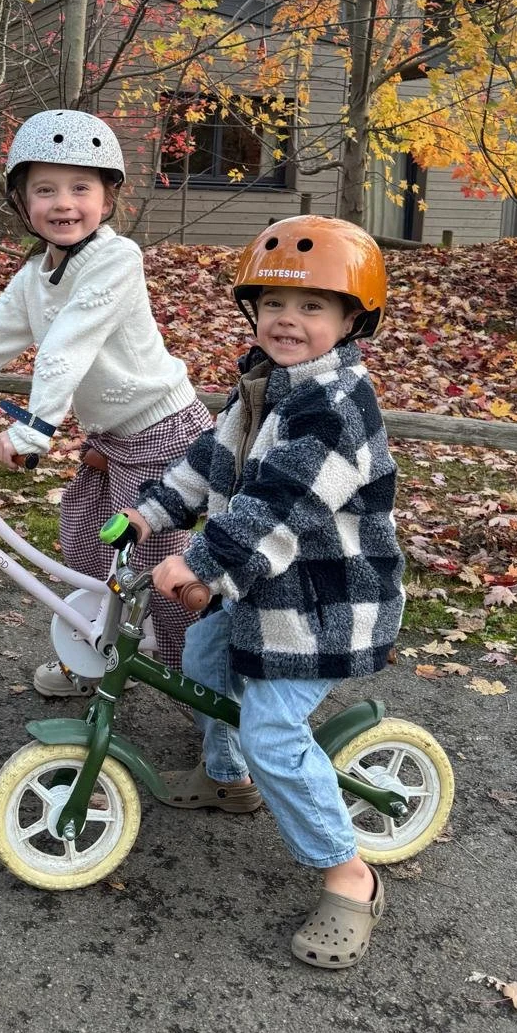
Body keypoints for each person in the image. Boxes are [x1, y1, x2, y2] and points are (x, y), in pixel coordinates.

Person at [127, 216, 404, 970]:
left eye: (314, 306)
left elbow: (277, 503)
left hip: (321, 605)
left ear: (352, 321)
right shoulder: (261, 385)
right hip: (260, 590)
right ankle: (228, 780)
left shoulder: (336, 407)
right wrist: (146, 515)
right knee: (205, 667)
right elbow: (206, 463)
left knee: (275, 732)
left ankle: (351, 876)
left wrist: (203, 563)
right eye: (276, 303)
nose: (290, 319)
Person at [0, 109, 212, 693]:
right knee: (87, 542)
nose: (63, 203)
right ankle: (99, 652)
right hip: (112, 440)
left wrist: (32, 431)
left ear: (108, 198)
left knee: (158, 568)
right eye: (45, 189)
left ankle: (192, 682)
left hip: (164, 434)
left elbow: (69, 344)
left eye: (81, 188)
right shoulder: (36, 276)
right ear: (21, 202)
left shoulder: (117, 261)